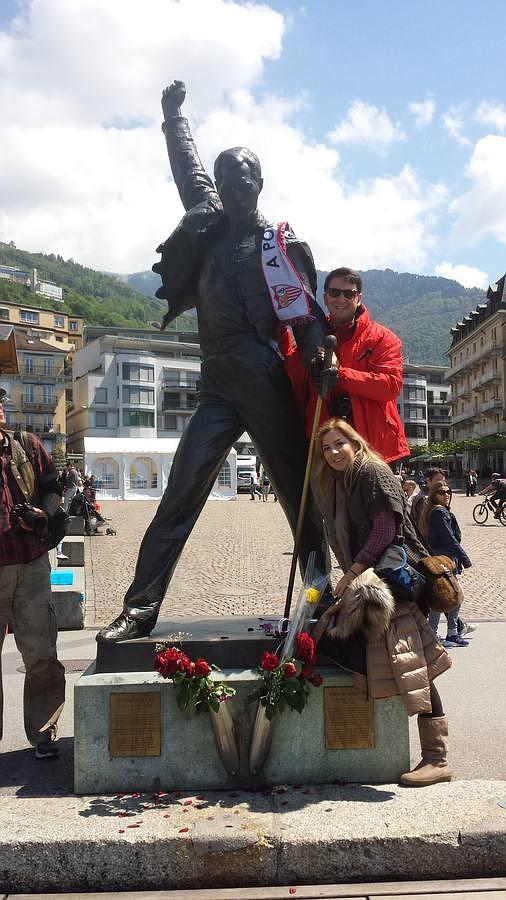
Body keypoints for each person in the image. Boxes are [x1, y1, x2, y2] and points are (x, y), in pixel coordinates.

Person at [98, 80, 330, 642]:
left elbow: (308, 316)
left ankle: (322, 595)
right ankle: (141, 606)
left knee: (298, 497)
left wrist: (322, 355)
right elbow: (188, 167)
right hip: (217, 383)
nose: (230, 189)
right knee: (180, 492)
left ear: (259, 184)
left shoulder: (278, 245)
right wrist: (172, 116)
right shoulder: (207, 221)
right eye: (224, 182)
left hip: (265, 377)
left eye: (241, 181)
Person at [311, 417, 452, 787]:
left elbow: (386, 531)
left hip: (395, 581)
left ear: (355, 442)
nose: (333, 452)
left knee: (414, 664)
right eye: (326, 448)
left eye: (339, 443)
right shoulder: (349, 479)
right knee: (393, 658)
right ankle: (367, 743)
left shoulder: (373, 473)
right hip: (378, 581)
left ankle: (437, 758)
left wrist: (352, 572)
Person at [282, 267, 409, 464]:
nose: (341, 299)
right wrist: (281, 326)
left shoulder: (383, 338)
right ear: (325, 297)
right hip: (325, 448)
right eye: (334, 292)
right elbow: (292, 372)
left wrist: (340, 376)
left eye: (349, 293)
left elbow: (390, 386)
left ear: (359, 298)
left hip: (373, 448)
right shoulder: (313, 337)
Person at [0, 389, 65, 759]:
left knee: (42, 654)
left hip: (30, 564)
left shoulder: (27, 445)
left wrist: (44, 513)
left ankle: (43, 734)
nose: (0, 408)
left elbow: (53, 489)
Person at [418, 482, 472, 648]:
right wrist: (465, 558)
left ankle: (440, 634)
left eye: (448, 492)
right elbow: (450, 539)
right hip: (443, 560)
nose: (446, 495)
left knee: (442, 596)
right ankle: (448, 633)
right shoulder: (439, 512)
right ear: (434, 494)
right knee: (454, 595)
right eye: (441, 492)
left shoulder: (434, 511)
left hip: (440, 559)